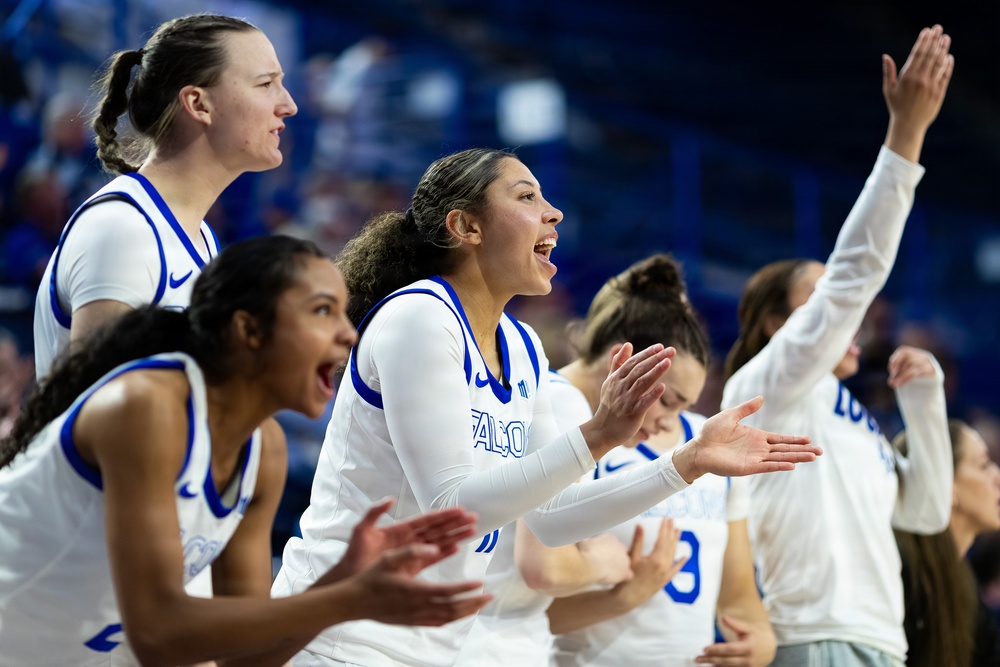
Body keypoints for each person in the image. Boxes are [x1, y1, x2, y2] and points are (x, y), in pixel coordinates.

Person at [273, 148, 820, 667]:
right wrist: (601, 434)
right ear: (467, 227)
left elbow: (553, 519)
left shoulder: (524, 346)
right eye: (526, 197)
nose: (553, 212)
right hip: (343, 636)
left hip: (431, 646)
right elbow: (452, 507)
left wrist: (687, 462)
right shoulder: (421, 316)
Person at [0, 236, 491, 667]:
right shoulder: (147, 406)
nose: (348, 333)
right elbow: (157, 633)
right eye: (322, 311)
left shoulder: (263, 451)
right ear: (249, 331)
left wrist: (343, 580)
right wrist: (345, 600)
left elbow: (241, 659)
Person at [721, 25, 955, 667]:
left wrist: (924, 401)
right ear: (776, 324)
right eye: (818, 302)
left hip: (882, 640)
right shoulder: (766, 390)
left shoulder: (849, 415)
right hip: (809, 638)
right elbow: (854, 277)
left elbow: (928, 511)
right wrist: (905, 140)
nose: (846, 319)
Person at [461, 254, 773, 667]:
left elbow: (738, 595)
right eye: (671, 400)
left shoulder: (559, 399)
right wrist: (613, 571)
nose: (668, 422)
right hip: (503, 644)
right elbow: (544, 566)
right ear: (623, 361)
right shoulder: (562, 403)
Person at [33, 13, 297, 379]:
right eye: (266, 84)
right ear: (198, 104)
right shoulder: (124, 231)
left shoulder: (200, 237)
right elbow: (106, 421)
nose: (288, 104)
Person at [896, 419, 1000, 667]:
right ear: (946, 483)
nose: (997, 476)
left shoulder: (967, 587)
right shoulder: (902, 573)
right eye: (984, 465)